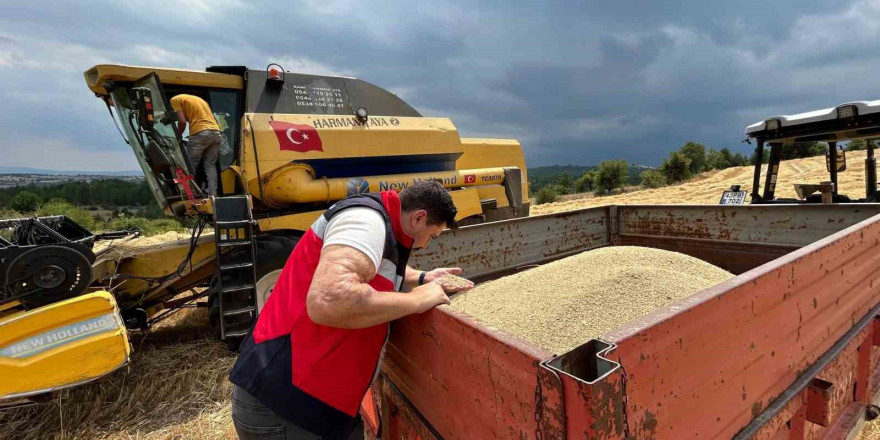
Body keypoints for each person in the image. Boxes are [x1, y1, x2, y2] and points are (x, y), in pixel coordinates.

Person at [229, 181, 474, 440]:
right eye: (431, 235)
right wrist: (416, 300)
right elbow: (329, 298)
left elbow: (371, 264)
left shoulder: (379, 222)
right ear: (419, 217)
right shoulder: (365, 222)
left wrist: (421, 277)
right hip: (288, 406)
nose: (425, 244)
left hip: (311, 404)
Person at [169, 94, 222, 196]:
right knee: (210, 164)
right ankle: (213, 194)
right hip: (216, 132)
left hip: (200, 132)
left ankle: (190, 193)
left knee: (190, 164)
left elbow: (182, 121)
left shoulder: (174, 100)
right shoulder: (200, 101)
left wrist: (178, 135)